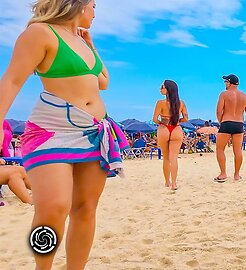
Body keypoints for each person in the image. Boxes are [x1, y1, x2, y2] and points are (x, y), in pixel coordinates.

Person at [0, 1, 129, 268]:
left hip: (93, 132)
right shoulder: (41, 33)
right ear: (78, 3)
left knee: (85, 209)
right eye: (93, 5)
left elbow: (103, 81)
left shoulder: (82, 41)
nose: (95, 12)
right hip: (51, 131)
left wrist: (91, 45)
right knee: (54, 207)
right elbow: (12, 80)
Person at [214, 74, 246, 182]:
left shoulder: (224, 94)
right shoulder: (245, 96)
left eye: (226, 82)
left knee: (220, 149)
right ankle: (236, 175)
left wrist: (221, 121)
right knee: (238, 151)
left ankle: (223, 173)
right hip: (239, 124)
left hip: (226, 122)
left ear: (230, 83)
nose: (225, 84)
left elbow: (218, 111)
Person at [152, 80, 188, 190]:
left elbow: (154, 119)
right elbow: (186, 118)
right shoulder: (181, 103)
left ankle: (167, 182)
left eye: (162, 86)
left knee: (166, 158)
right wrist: (177, 121)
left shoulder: (160, 103)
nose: (160, 88)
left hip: (164, 128)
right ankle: (174, 184)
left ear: (168, 89)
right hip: (176, 128)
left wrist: (163, 122)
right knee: (174, 158)